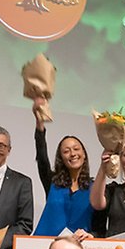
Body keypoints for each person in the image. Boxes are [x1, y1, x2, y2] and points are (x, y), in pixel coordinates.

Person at [31, 98, 93, 238]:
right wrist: (39, 122)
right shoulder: (52, 182)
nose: (72, 154)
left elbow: (98, 225)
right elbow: (42, 158)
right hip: (44, 247)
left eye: (76, 149)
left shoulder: (94, 188)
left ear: (84, 154)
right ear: (61, 158)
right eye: (66, 151)